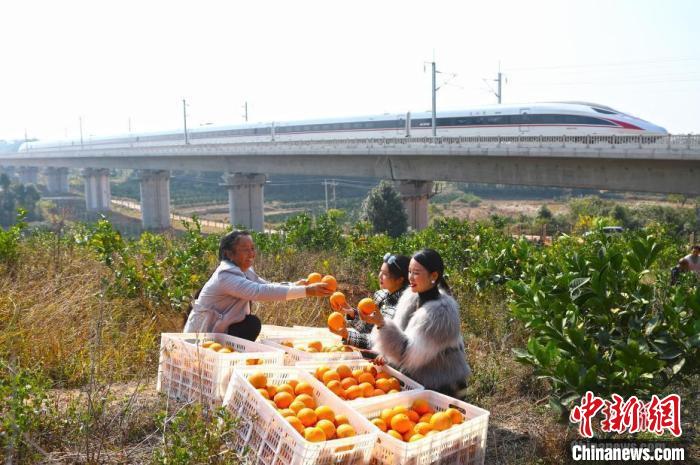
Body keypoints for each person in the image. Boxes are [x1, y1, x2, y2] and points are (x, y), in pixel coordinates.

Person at [183, 230, 332, 340]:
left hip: (219, 329)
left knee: (250, 323)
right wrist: (307, 291)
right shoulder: (225, 275)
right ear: (229, 254)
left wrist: (295, 285)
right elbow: (259, 291)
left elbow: (265, 285)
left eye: (252, 249)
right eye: (245, 250)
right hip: (200, 337)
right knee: (251, 323)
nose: (251, 254)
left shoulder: (243, 270)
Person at [362, 248, 471, 399]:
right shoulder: (410, 297)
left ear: (433, 276)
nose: (410, 277)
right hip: (419, 380)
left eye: (416, 273)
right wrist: (385, 352)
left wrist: (382, 324)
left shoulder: (440, 315)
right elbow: (400, 334)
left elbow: (408, 354)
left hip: (445, 388)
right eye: (410, 271)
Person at [330, 253, 410, 353]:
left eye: (385, 274)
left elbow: (380, 343)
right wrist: (352, 313)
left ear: (400, 280)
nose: (380, 276)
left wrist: (348, 335)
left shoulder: (404, 306)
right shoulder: (380, 295)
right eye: (381, 271)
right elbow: (370, 330)